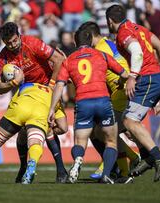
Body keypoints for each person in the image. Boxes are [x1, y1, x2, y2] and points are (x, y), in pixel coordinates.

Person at [0, 22, 66, 184]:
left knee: (63, 127)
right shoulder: (3, 57)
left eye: (14, 40)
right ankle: (57, 170)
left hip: (47, 90)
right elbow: (0, 87)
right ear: (3, 41)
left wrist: (52, 85)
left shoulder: (32, 43)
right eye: (7, 43)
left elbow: (59, 59)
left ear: (19, 35)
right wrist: (13, 83)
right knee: (41, 130)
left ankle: (30, 167)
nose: (12, 45)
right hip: (25, 93)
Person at [48, 27, 129, 184]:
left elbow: (59, 85)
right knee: (111, 142)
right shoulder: (102, 55)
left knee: (80, 142)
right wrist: (121, 82)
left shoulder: (69, 60)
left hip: (83, 103)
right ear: (91, 40)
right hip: (103, 101)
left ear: (75, 41)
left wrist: (52, 108)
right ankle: (106, 174)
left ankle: (78, 159)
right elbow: (125, 74)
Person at [106, 4, 160, 182]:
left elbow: (136, 51)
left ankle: (159, 157)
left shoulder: (123, 32)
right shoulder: (139, 28)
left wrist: (132, 77)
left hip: (147, 78)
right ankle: (148, 156)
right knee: (129, 125)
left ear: (109, 21)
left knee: (129, 121)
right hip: (156, 77)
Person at [78, 22, 140, 181]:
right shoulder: (108, 43)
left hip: (121, 91)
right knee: (104, 131)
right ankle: (131, 160)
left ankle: (112, 167)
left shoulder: (98, 51)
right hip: (121, 90)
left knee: (103, 131)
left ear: (90, 37)